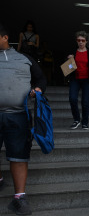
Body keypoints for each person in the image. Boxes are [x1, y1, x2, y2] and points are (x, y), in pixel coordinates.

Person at [0, 23, 46, 215]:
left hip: (18, 115)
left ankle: (19, 198)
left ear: (4, 37)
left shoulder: (25, 58)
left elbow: (41, 78)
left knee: (19, 156)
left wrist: (38, 89)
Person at [67, 31, 89, 130]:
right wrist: (69, 60)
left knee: (85, 102)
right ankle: (76, 120)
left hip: (87, 80)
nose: (80, 42)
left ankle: (85, 122)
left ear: (86, 41)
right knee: (72, 99)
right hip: (75, 79)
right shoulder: (72, 52)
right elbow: (68, 68)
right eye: (78, 40)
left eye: (82, 40)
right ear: (76, 41)